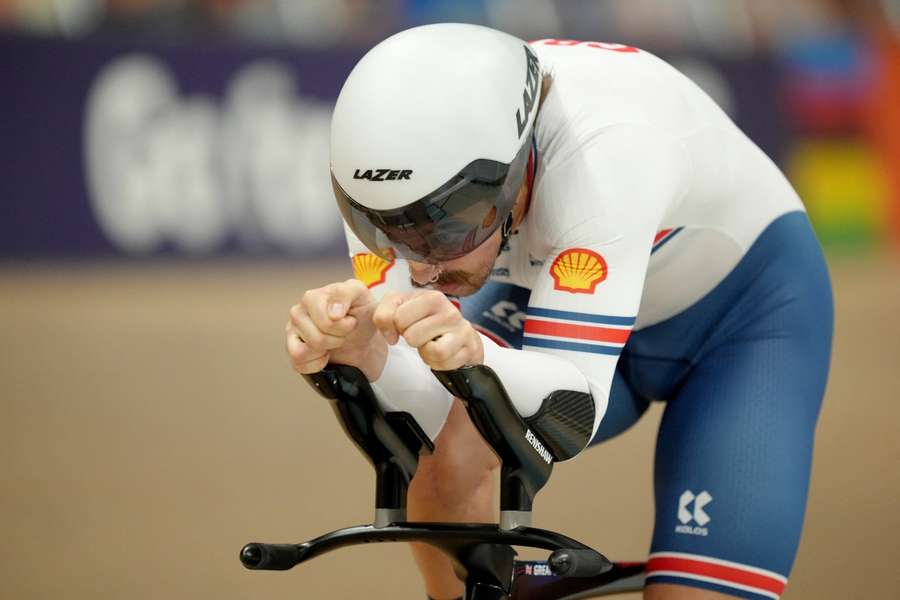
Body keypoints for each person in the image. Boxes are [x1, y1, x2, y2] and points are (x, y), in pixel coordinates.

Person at [286, 23, 833, 600]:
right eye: (389, 232)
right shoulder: (384, 177)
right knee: (446, 453)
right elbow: (419, 416)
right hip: (570, 283)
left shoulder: (607, 156)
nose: (421, 267)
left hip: (744, 317)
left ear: (517, 172)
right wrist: (365, 357)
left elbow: (573, 408)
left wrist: (478, 356)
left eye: (446, 228)